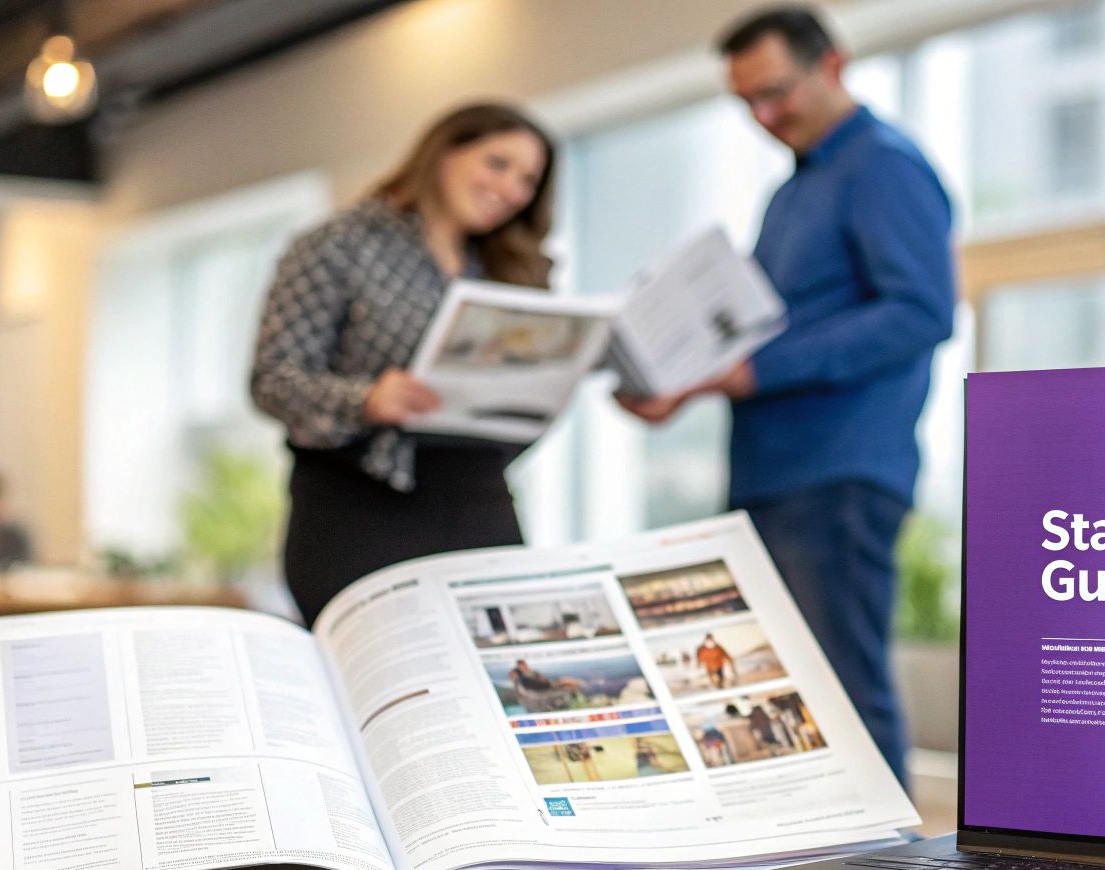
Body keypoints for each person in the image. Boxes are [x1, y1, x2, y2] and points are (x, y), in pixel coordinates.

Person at [619, 6, 956, 785]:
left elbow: (921, 311)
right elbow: (760, 337)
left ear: (832, 65)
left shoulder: (884, 166)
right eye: (748, 103)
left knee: (841, 682)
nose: (765, 118)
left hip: (838, 473)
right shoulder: (792, 191)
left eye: (776, 93)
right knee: (789, 689)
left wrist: (757, 373)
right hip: (772, 472)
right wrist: (684, 380)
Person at [251, 103, 558, 624]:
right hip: (358, 508)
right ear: (444, 152)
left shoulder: (511, 268)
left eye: (528, 180)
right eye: (497, 164)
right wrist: (366, 400)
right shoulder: (338, 245)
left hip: (478, 505)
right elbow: (273, 379)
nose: (511, 190)